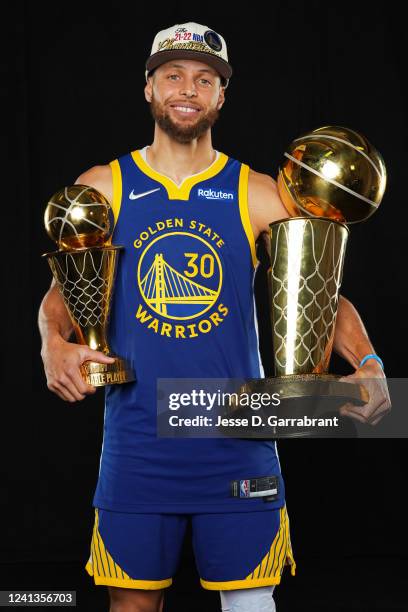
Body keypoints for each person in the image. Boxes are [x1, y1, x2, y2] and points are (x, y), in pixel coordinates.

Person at [38, 22, 391, 612]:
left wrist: (370, 362)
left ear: (221, 96)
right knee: (131, 608)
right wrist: (52, 342)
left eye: (205, 79)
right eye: (173, 75)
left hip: (238, 439)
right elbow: (62, 295)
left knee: (252, 606)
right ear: (148, 88)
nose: (187, 88)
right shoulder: (105, 185)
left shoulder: (257, 193)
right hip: (137, 443)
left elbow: (325, 298)